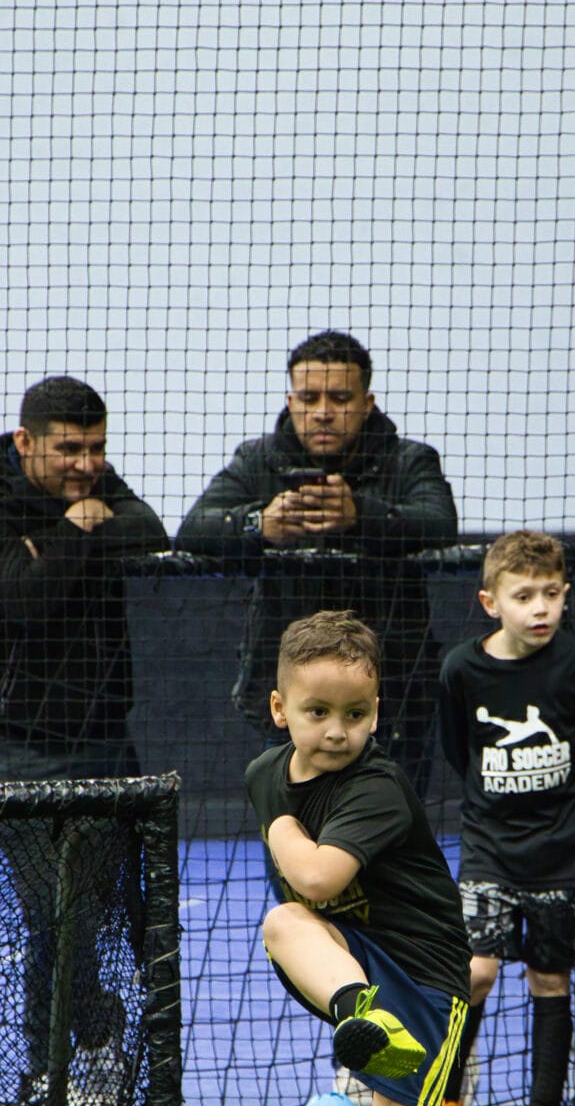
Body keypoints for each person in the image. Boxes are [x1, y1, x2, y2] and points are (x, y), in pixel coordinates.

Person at [245, 610, 472, 1106]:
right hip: (353, 965)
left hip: (425, 972)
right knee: (282, 921)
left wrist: (279, 828)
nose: (336, 730)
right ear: (280, 710)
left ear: (376, 713)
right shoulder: (265, 774)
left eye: (355, 714)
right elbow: (302, 899)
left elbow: (315, 872)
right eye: (316, 712)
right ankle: (357, 1017)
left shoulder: (378, 786)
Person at [0, 374, 168, 1106]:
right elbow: (26, 597)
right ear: (24, 442)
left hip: (103, 738)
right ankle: (60, 1061)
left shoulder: (95, 482)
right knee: (55, 914)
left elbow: (151, 530)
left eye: (96, 450)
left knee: (100, 912)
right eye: (68, 449)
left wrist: (66, 537)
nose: (84, 465)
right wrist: (78, 530)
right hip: (18, 746)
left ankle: (91, 1046)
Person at [178, 331, 458, 784]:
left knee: (390, 844)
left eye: (339, 397)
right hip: (289, 696)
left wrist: (360, 516)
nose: (323, 411)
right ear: (291, 401)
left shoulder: (408, 461)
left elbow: (440, 523)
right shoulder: (258, 462)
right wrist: (258, 524)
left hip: (392, 696)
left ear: (367, 402)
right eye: (309, 398)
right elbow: (194, 529)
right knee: (292, 839)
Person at [432, 530, 575, 1106]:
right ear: (491, 602)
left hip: (563, 854)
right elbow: (459, 752)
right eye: (523, 596)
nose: (539, 608)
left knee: (550, 978)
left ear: (566, 595)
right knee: (475, 973)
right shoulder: (462, 668)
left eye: (550, 595)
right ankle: (444, 1099)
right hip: (489, 847)